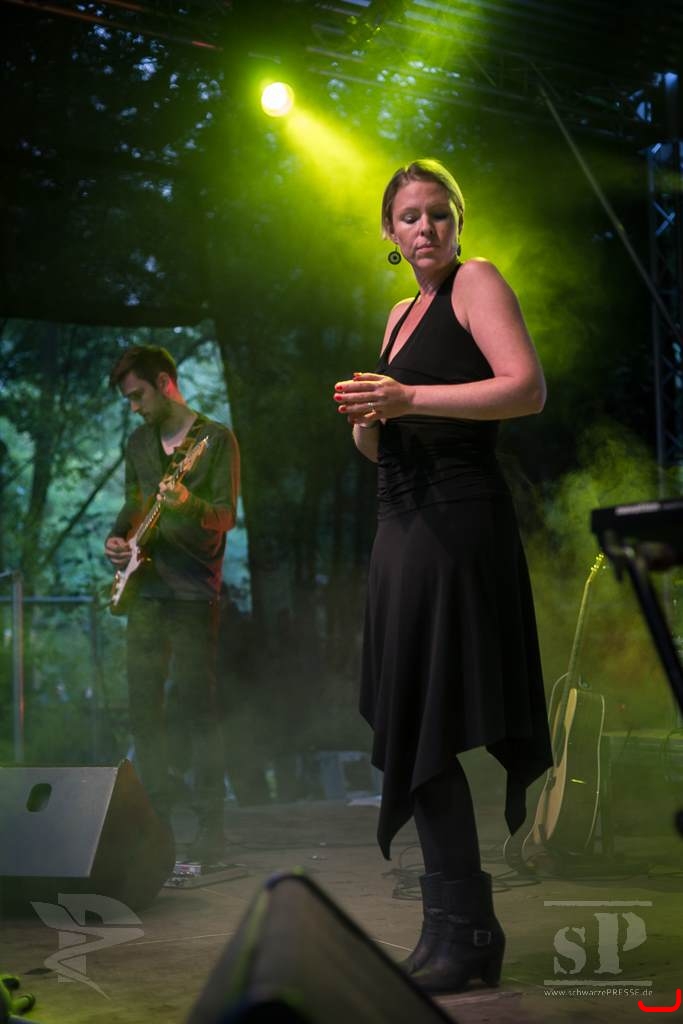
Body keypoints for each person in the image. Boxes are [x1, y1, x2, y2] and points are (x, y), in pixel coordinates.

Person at [333, 159, 552, 993]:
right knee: (408, 725)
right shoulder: (397, 314)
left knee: (427, 723)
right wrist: (368, 417)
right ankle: (452, 930)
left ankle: (466, 937)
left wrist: (407, 400)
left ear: (458, 223)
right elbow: (384, 440)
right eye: (409, 217)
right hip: (399, 524)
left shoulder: (476, 281)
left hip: (457, 524)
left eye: (438, 214)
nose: (423, 228)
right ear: (387, 232)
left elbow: (524, 389)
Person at [105, 345, 240, 864]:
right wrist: (117, 539)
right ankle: (155, 829)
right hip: (144, 593)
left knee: (195, 708)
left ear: (164, 383)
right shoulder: (139, 443)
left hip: (192, 594)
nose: (134, 407)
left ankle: (211, 827)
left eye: (138, 395)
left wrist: (189, 504)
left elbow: (225, 516)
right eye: (128, 399)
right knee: (144, 711)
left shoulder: (215, 440)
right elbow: (132, 504)